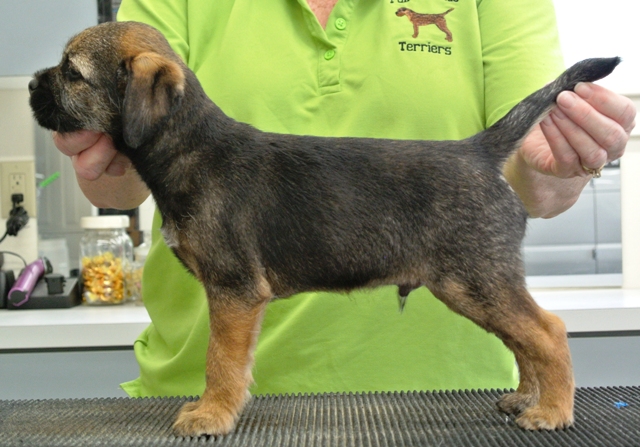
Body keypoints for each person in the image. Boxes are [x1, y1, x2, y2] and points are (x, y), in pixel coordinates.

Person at [55, 0, 635, 398]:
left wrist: (563, 163)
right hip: (182, 388)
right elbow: (119, 174)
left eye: (70, 74)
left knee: (497, 306)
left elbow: (531, 176)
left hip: (441, 394)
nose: (54, 82)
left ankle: (550, 387)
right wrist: (103, 153)